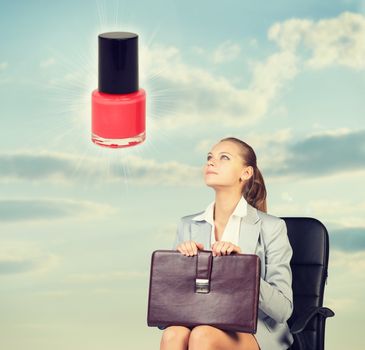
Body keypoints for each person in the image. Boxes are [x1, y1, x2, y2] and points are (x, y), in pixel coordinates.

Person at [159, 137, 294, 350]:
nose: (211, 163)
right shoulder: (188, 225)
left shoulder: (272, 227)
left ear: (246, 173)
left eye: (224, 158)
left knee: (203, 336)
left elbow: (283, 310)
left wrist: (241, 269)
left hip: (255, 330)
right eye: (209, 158)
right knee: (172, 334)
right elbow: (173, 306)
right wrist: (180, 271)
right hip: (201, 321)